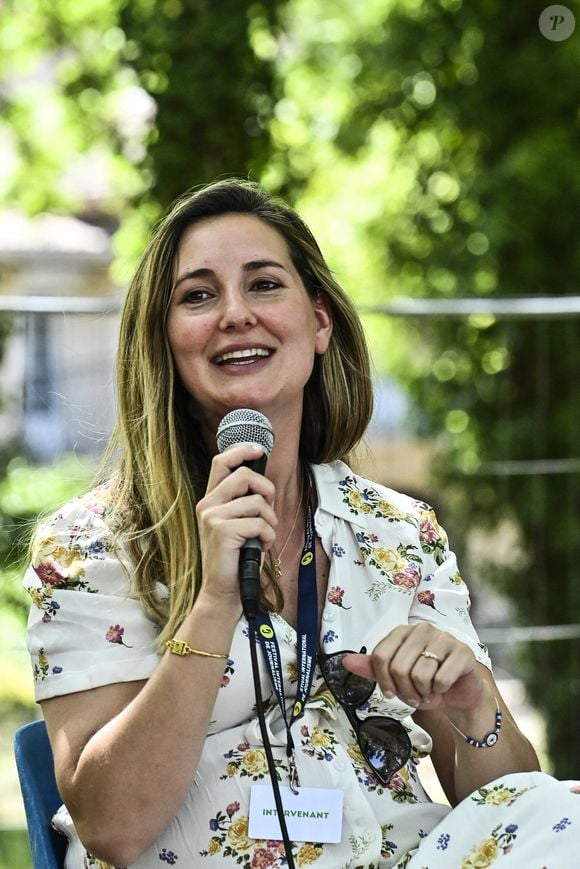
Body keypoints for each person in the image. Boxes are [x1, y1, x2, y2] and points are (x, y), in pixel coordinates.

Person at [23, 178, 579, 869]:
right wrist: (216, 602)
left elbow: (516, 806)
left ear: (319, 323)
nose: (234, 313)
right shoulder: (89, 544)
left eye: (263, 284)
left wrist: (474, 708)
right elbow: (112, 825)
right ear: (164, 342)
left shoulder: (399, 531)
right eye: (197, 295)